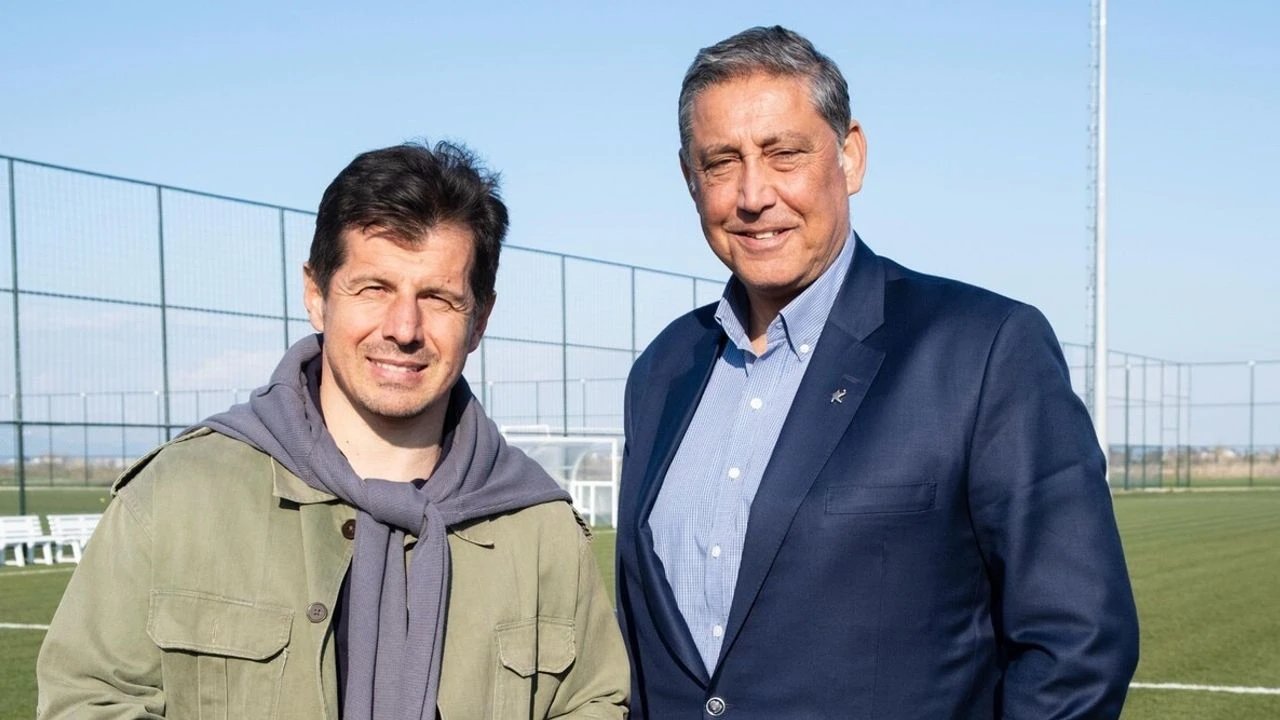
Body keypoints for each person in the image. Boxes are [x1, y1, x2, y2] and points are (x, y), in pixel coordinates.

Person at [615, 26, 1139, 719]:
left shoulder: (983, 351)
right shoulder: (662, 373)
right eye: (721, 163)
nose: (752, 194)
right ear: (691, 179)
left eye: (784, 154)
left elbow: (1079, 646)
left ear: (850, 156)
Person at [37, 142, 629, 720]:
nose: (403, 328)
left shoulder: (540, 530)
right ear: (317, 295)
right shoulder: (178, 495)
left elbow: (593, 703)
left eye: (438, 298)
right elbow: (89, 699)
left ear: (479, 321)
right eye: (373, 289)